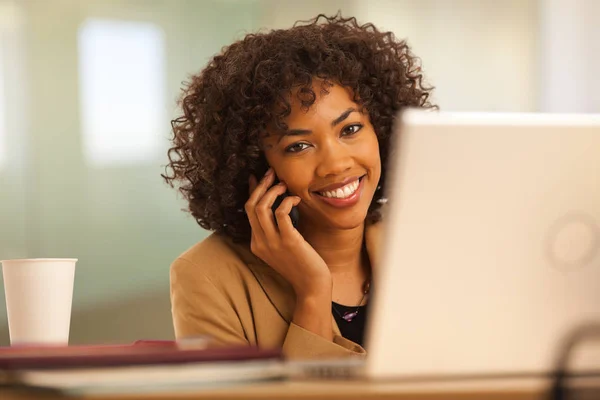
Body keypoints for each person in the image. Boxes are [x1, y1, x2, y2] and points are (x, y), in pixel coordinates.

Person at [162, 13, 434, 359]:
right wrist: (313, 293)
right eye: (298, 146)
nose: (336, 164)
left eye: (350, 130)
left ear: (381, 130)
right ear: (258, 166)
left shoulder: (423, 246)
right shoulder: (207, 276)